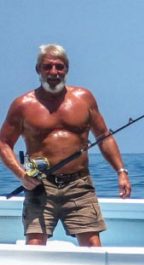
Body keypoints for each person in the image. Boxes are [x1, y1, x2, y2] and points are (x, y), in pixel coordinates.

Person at [0, 44, 132, 247]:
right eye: (48, 67)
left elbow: (104, 136)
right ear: (38, 70)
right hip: (40, 186)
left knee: (93, 247)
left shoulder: (84, 98)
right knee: (34, 246)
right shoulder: (23, 104)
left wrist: (121, 171)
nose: (54, 72)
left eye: (59, 67)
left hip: (79, 184)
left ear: (67, 69)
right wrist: (21, 175)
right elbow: (3, 143)